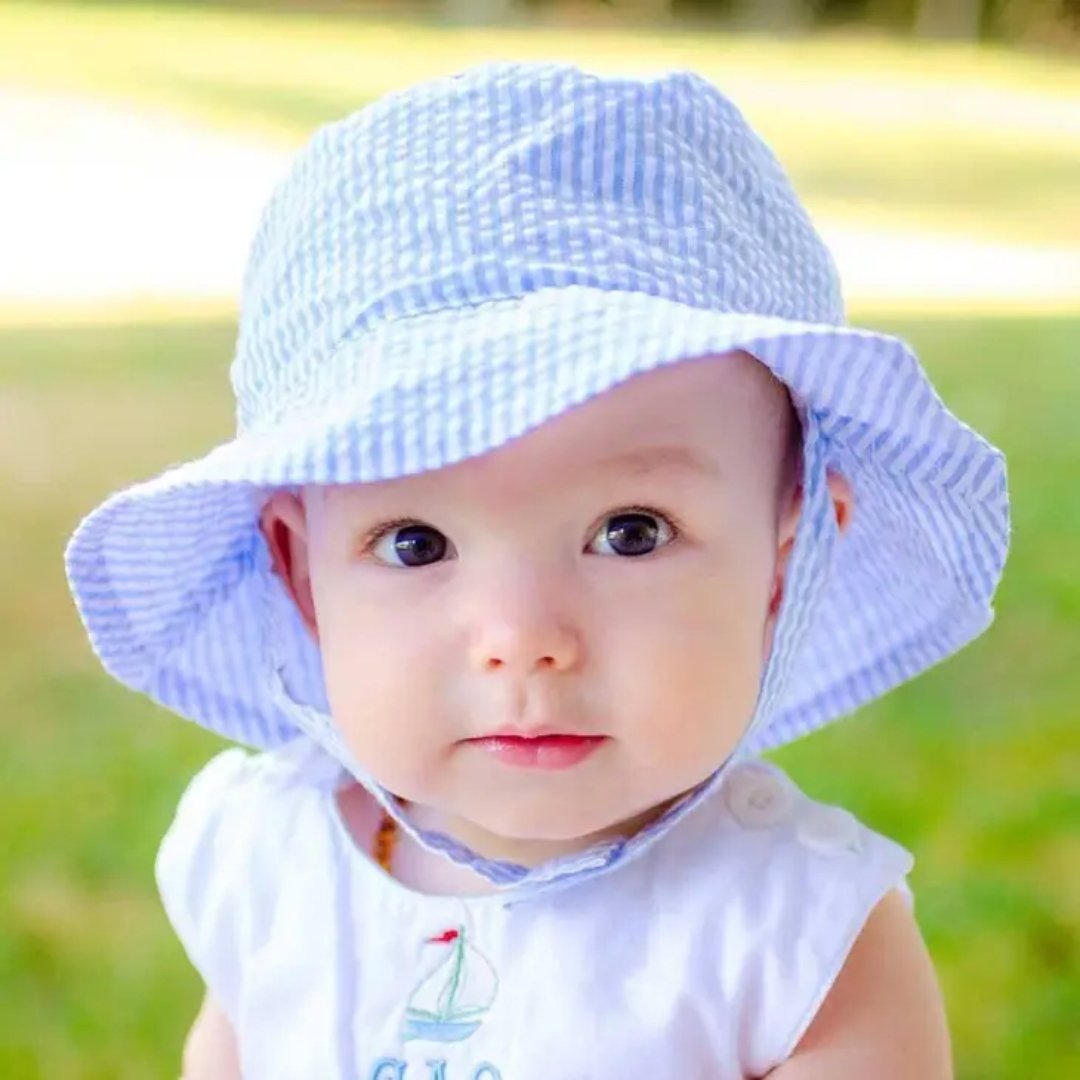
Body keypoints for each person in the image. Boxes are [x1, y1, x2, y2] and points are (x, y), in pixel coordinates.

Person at [65, 62, 1009, 1079]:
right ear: (301, 578)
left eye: (632, 531)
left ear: (786, 558)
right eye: (415, 543)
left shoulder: (800, 946)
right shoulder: (267, 871)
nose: (524, 637)